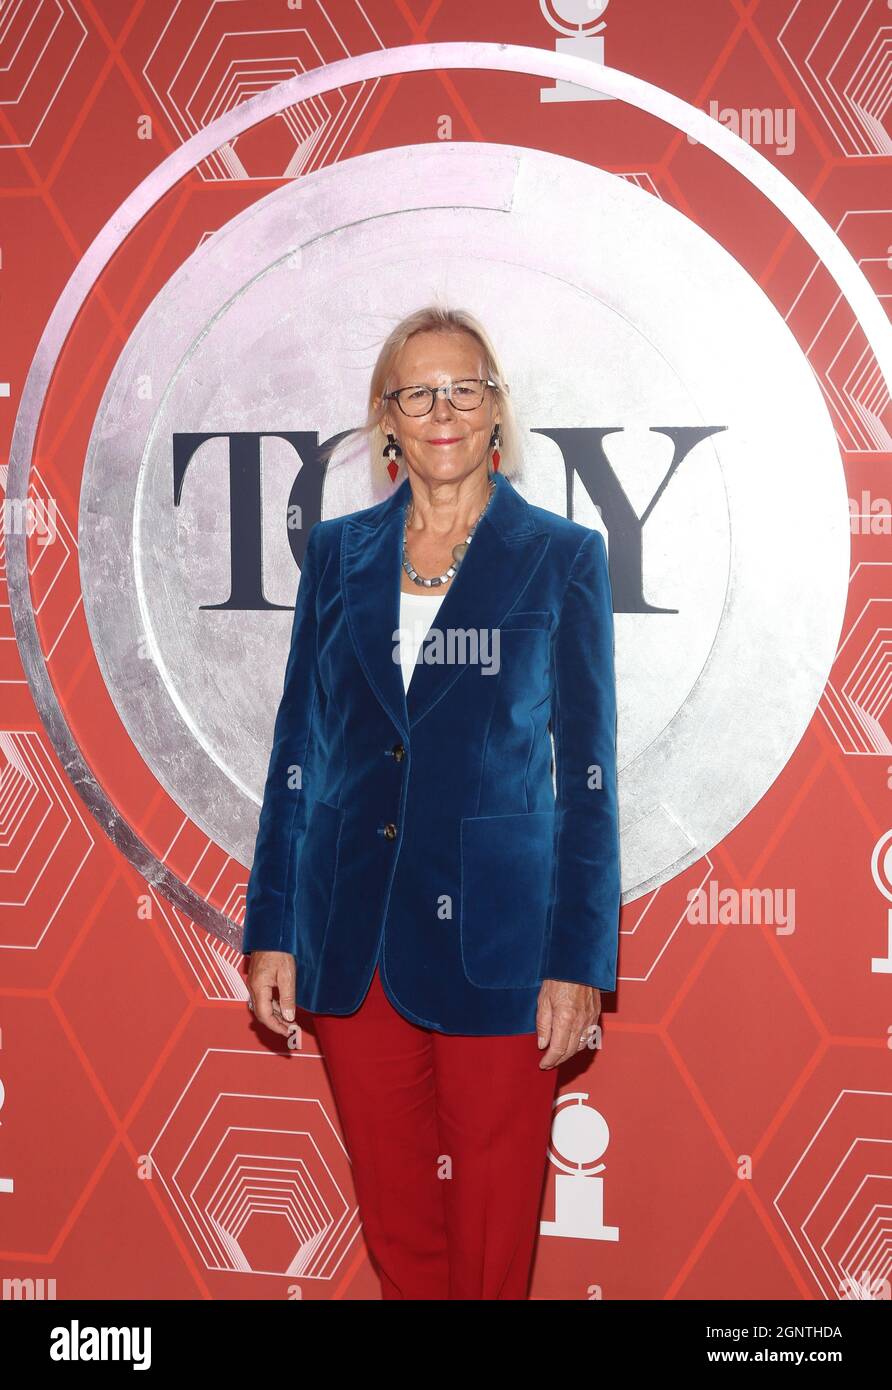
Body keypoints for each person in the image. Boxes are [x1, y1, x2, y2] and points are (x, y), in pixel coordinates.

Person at [242, 305, 621, 1299]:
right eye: (419, 392)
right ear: (386, 421)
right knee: (399, 1224)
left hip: (499, 938)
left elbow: (586, 774)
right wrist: (273, 926)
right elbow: (299, 748)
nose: (442, 409)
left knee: (494, 1229)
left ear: (496, 411)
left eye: (465, 388)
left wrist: (578, 959)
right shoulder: (336, 553)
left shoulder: (560, 555)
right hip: (350, 931)